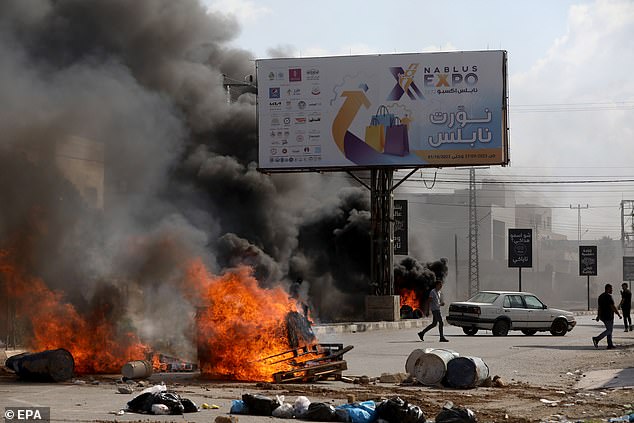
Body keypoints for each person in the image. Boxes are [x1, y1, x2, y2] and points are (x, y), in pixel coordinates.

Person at [592, 283, 622, 349]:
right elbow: (613, 307)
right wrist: (618, 314)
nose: (612, 290)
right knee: (609, 330)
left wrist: (598, 316)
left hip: (603, 316)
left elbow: (599, 307)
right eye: (611, 288)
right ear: (608, 289)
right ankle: (597, 339)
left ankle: (610, 344)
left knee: (609, 330)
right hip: (608, 316)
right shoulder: (609, 297)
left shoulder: (601, 296)